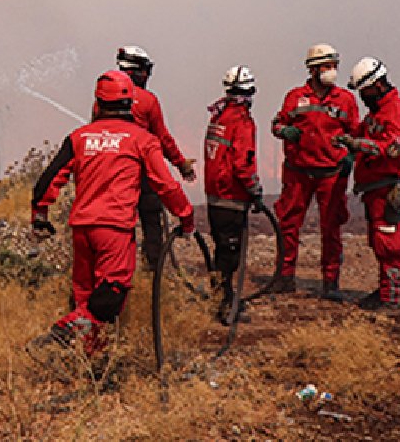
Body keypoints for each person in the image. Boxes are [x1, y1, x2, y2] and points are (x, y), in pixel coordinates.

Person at [27, 70, 194, 358]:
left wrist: (39, 214)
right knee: (111, 294)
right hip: (114, 229)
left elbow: (49, 178)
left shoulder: (79, 137)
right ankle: (66, 329)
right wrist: (186, 215)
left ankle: (94, 361)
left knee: (85, 295)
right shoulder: (141, 139)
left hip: (81, 229)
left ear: (97, 104)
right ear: (130, 104)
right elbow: (165, 184)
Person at [270, 43, 360, 300]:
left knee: (331, 229)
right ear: (313, 69)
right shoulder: (295, 96)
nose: (332, 71)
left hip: (331, 174)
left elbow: (355, 134)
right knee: (288, 223)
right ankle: (285, 276)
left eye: (334, 66)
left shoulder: (345, 99)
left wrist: (349, 158)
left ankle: (331, 282)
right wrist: (284, 131)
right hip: (298, 172)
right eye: (326, 66)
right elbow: (277, 124)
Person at [334, 58, 400, 310]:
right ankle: (383, 290)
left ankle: (391, 297)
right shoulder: (376, 114)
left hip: (387, 188)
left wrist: (361, 145)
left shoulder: (396, 112)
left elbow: (393, 149)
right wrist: (348, 136)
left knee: (388, 243)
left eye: (364, 91)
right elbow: (364, 133)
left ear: (377, 85)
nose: (362, 96)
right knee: (378, 241)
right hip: (373, 189)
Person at [114, 46, 197, 270]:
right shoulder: (147, 100)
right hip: (142, 175)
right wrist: (181, 164)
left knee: (120, 227)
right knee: (152, 223)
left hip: (112, 177)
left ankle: (122, 271)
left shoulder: (102, 101)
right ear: (138, 72)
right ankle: (153, 272)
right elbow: (163, 138)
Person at [203, 65, 263, 324]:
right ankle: (225, 306)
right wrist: (255, 190)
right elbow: (242, 163)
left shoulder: (218, 116)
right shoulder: (241, 122)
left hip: (214, 195)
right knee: (229, 255)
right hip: (231, 198)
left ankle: (221, 297)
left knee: (221, 250)